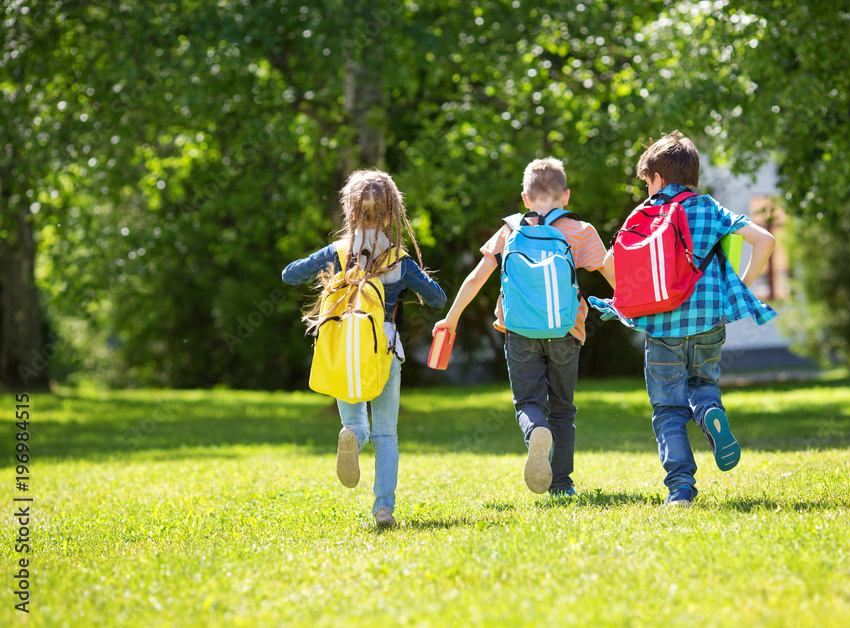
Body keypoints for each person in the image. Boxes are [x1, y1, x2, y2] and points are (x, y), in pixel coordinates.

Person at [591, 131, 777, 508]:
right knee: (703, 383)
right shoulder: (708, 207)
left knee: (668, 409)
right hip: (709, 321)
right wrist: (739, 286)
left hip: (661, 327)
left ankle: (680, 490)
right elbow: (765, 241)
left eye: (646, 182)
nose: (647, 189)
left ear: (656, 178)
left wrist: (638, 297)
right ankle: (710, 411)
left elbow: (611, 266)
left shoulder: (642, 215)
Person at [434, 158, 615, 497]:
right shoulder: (579, 230)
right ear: (566, 196)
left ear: (525, 197)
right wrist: (637, 306)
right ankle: (561, 484)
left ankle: (535, 433)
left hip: (518, 330)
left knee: (528, 402)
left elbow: (477, 278)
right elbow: (610, 272)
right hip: (566, 331)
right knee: (563, 408)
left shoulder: (510, 229)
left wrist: (452, 317)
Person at [282, 169, 447, 528]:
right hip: (384, 349)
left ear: (350, 212)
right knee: (387, 433)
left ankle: (352, 438)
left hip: (346, 350)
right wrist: (415, 279)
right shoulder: (398, 259)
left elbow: (289, 274)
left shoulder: (338, 252)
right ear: (391, 215)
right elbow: (437, 299)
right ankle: (383, 508)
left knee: (356, 421)